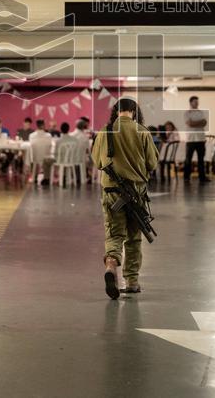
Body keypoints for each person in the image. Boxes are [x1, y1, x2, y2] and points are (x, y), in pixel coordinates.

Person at [92, 97, 158, 299]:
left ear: (116, 111)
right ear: (134, 111)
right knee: (133, 238)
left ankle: (111, 265)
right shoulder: (142, 131)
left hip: (112, 193)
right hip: (136, 193)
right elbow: (152, 163)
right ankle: (132, 282)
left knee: (114, 234)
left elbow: (97, 162)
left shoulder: (105, 131)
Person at [183, 95, 209, 183]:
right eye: (195, 102)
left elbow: (204, 123)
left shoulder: (201, 112)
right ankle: (186, 177)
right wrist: (199, 123)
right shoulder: (187, 113)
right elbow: (190, 124)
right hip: (191, 139)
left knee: (201, 159)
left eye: (197, 102)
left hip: (201, 139)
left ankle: (202, 177)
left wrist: (195, 123)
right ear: (191, 103)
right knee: (188, 159)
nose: (197, 103)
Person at [29, 119, 55, 185]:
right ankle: (47, 178)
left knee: (35, 160)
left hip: (35, 158)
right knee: (49, 158)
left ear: (36, 125)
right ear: (43, 125)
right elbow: (50, 146)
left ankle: (35, 176)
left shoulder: (31, 135)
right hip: (46, 158)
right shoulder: (48, 136)